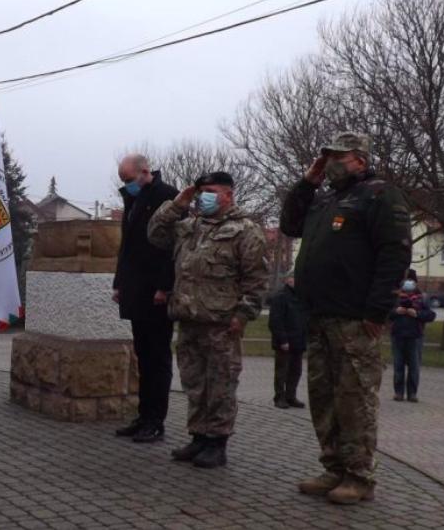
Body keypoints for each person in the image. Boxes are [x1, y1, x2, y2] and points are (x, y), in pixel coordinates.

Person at [279, 132, 412, 505]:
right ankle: (334, 466)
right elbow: (290, 224)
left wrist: (377, 309)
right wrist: (308, 181)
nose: (332, 162)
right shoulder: (326, 200)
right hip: (319, 315)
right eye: (328, 157)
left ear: (360, 159)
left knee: (354, 399)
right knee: (323, 397)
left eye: (339, 156)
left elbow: (394, 254)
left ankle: (359, 475)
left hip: (355, 318)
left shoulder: (379, 195)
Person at [148, 171, 268, 469]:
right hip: (189, 319)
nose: (204, 196)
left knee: (221, 385)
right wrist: (178, 203)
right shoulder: (191, 226)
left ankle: (217, 442)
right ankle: (199, 436)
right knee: (194, 383)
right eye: (201, 191)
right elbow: (155, 234)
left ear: (228, 194)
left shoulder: (245, 230)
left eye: (211, 191)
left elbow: (256, 280)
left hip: (222, 323)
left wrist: (243, 315)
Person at [112, 154, 179, 443]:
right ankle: (143, 415)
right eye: (123, 181)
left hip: (157, 293)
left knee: (157, 358)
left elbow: (172, 248)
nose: (126, 185)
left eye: (128, 180)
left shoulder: (168, 197)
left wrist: (165, 286)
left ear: (144, 172)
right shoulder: (134, 199)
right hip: (136, 289)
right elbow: (127, 246)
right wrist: (119, 284)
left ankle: (156, 421)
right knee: (143, 357)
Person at [389, 270, 435, 403]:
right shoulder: (396, 298)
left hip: (415, 337)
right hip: (398, 335)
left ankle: (412, 393)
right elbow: (386, 314)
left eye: (411, 281)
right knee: (398, 366)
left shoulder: (422, 298)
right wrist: (396, 312)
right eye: (405, 281)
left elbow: (431, 315)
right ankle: (398, 392)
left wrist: (417, 314)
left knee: (414, 367)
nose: (408, 284)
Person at [268, 273, 307, 409]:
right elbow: (275, 321)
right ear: (287, 280)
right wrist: (282, 340)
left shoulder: (302, 297)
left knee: (296, 371)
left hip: (298, 341)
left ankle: (291, 396)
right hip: (284, 342)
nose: (295, 281)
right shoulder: (280, 297)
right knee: (282, 371)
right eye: (293, 278)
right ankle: (279, 397)